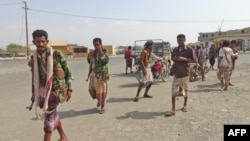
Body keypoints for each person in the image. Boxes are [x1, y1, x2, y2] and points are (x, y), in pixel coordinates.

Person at [28, 29, 73, 141]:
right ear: (34, 42)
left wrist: (70, 89)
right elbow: (37, 76)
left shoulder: (56, 54)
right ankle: (63, 136)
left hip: (55, 91)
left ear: (47, 41)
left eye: (43, 41)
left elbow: (67, 72)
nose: (40, 44)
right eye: (38, 41)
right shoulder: (33, 57)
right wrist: (32, 66)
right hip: (42, 92)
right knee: (53, 114)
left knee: (49, 121)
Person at [165, 34, 196, 116]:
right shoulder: (175, 49)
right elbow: (172, 58)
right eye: (178, 40)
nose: (180, 42)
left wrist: (183, 59)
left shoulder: (189, 50)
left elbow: (195, 61)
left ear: (184, 40)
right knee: (173, 91)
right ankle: (173, 109)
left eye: (181, 40)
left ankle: (185, 105)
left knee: (185, 90)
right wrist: (174, 59)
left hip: (185, 73)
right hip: (177, 73)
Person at [88, 38, 109, 114]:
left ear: (101, 44)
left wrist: (100, 53)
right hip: (93, 75)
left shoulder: (104, 53)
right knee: (91, 90)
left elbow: (105, 61)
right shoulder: (92, 53)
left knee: (102, 92)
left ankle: (102, 106)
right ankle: (99, 101)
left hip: (101, 76)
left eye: (97, 45)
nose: (96, 46)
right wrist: (90, 57)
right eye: (94, 45)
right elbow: (89, 61)